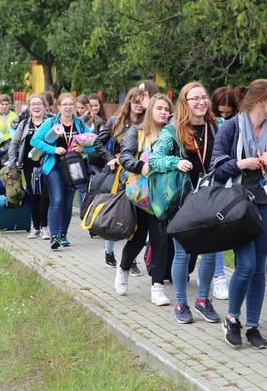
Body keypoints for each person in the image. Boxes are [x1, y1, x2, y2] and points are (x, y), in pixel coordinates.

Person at [211, 79, 267, 350]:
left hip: (263, 206)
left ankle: (253, 326)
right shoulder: (232, 127)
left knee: (259, 270)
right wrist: (240, 164)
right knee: (245, 265)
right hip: (236, 206)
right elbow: (216, 169)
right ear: (260, 101)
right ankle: (232, 318)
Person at [149, 82, 220, 325]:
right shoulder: (172, 131)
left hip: (210, 200)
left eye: (204, 97)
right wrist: (175, 163)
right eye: (194, 99)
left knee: (210, 253)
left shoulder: (217, 127)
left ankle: (202, 300)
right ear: (184, 103)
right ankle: (181, 302)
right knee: (181, 254)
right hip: (182, 201)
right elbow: (154, 160)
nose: (201, 102)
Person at [116, 94, 175, 305]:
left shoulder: (172, 135)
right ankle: (123, 268)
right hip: (139, 196)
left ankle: (157, 287)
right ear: (151, 111)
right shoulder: (138, 131)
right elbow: (124, 157)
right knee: (138, 239)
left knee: (160, 240)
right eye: (159, 108)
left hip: (163, 196)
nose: (163, 112)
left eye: (166, 109)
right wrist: (142, 166)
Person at [31, 92, 95, 250]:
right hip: (54, 167)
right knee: (57, 200)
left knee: (67, 203)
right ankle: (54, 236)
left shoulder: (79, 124)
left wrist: (83, 148)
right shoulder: (51, 122)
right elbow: (35, 140)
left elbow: (96, 143)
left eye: (71, 104)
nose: (68, 107)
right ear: (58, 107)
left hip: (73, 167)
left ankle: (63, 234)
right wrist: (53, 149)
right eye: (65, 104)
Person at [93, 88, 146, 274]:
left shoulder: (148, 123)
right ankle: (109, 251)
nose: (140, 106)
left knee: (136, 218)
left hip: (139, 175)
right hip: (118, 174)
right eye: (136, 102)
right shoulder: (116, 121)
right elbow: (98, 142)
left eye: (142, 102)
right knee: (118, 214)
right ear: (129, 102)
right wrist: (110, 158)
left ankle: (130, 260)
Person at [209, 86, 241, 301]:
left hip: (235, 180)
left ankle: (239, 277)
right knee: (216, 230)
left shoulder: (239, 125)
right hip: (212, 180)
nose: (223, 117)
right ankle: (218, 276)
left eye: (228, 113)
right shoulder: (208, 123)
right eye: (220, 112)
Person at [8, 94, 50, 240]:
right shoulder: (24, 124)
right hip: (29, 165)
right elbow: (14, 144)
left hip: (47, 164)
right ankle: (36, 227)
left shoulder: (50, 123)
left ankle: (45, 227)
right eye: (33, 104)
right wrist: (13, 164)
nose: (36, 107)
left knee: (46, 195)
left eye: (39, 104)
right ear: (29, 108)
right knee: (34, 194)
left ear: (45, 107)